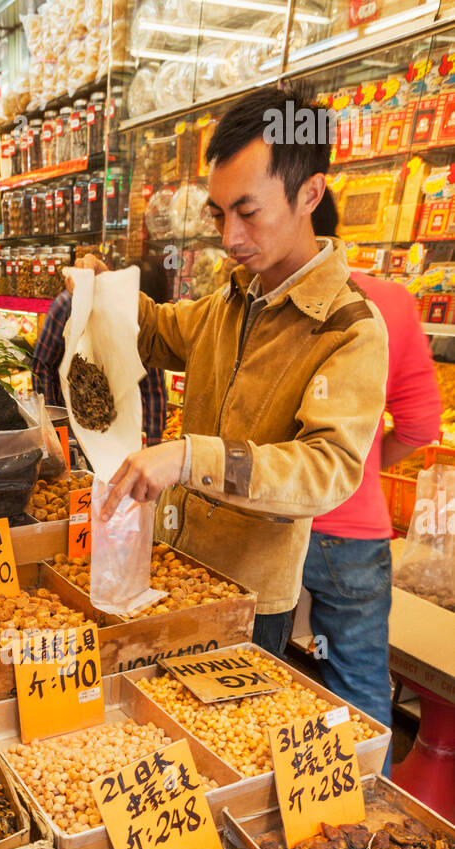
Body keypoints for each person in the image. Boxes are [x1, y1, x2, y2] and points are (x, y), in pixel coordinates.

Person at [74, 85, 388, 656]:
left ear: (310, 193)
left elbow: (326, 470)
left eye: (248, 212)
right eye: (218, 214)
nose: (229, 238)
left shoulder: (349, 328)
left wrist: (191, 457)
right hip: (177, 564)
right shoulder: (234, 299)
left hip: (249, 598)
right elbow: (162, 332)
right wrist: (104, 289)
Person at [302, 189, 441, 757]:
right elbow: (419, 424)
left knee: (253, 676)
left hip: (264, 518)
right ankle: (364, 826)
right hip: (351, 535)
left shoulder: (262, 300)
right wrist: (353, 468)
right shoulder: (391, 299)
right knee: (356, 686)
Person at [32, 254, 169, 445]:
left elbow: (153, 388)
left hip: (115, 426)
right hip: (70, 421)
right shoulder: (67, 306)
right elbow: (43, 366)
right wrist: (54, 426)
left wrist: (153, 445)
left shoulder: (145, 329)